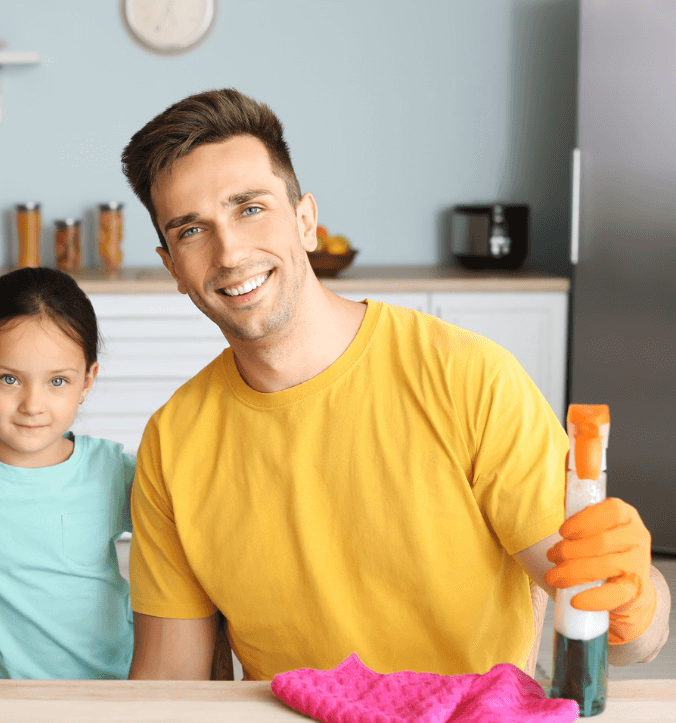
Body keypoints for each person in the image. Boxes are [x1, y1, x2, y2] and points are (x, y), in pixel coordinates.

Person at [118, 88, 670, 680]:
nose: (229, 251)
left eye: (250, 208)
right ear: (173, 265)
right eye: (192, 231)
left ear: (305, 221)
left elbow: (621, 638)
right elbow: (168, 686)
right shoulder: (173, 444)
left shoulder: (468, 380)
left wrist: (635, 600)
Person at [0, 267, 136, 679]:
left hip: (112, 697)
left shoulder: (112, 471)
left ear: (87, 380)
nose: (33, 405)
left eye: (58, 381)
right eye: (9, 379)